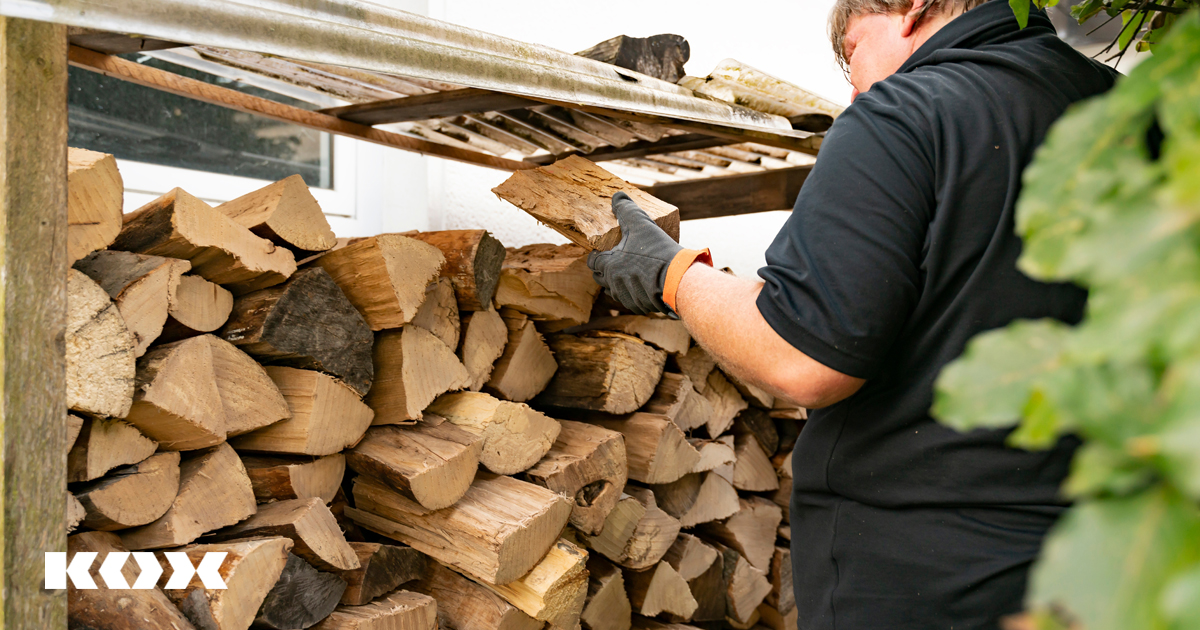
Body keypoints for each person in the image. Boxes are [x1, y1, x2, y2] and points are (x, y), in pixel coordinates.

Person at [586, 0, 1118, 627]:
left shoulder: (906, 113)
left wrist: (669, 273)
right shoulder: (1136, 115)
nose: (856, 86)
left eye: (852, 53)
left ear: (909, 7)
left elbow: (803, 355)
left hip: (924, 586)